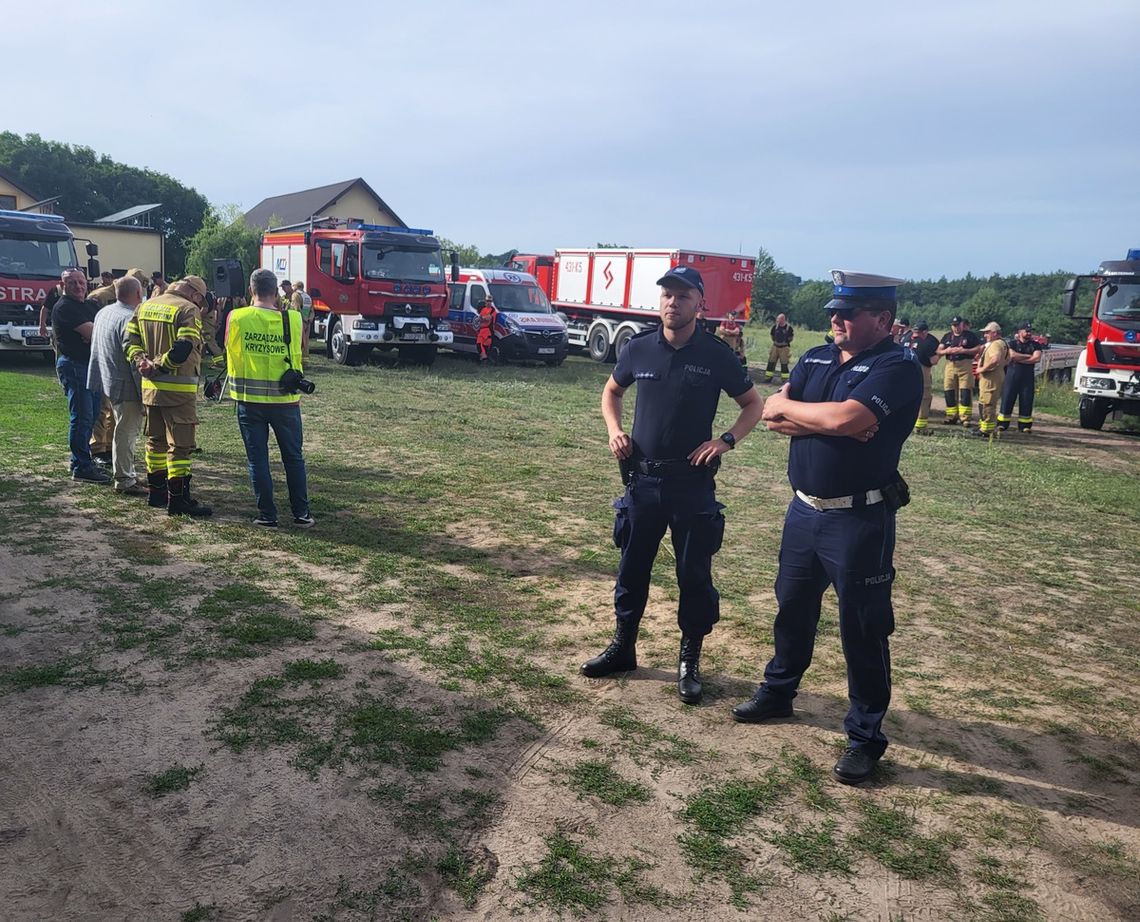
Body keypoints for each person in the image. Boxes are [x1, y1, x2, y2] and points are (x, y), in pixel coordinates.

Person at [732, 270, 921, 786]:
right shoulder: (816, 356)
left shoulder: (897, 365)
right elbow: (772, 413)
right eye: (833, 312)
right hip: (804, 512)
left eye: (848, 313)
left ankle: (864, 737)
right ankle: (778, 692)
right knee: (792, 608)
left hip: (859, 519)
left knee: (863, 627)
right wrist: (832, 418)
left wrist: (831, 419)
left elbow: (842, 420)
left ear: (882, 319)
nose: (835, 319)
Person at [582, 266, 764, 705]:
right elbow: (612, 392)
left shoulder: (716, 354)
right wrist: (614, 430)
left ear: (700, 303)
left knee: (694, 576)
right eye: (667, 294)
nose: (672, 303)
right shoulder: (639, 348)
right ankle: (623, 648)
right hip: (643, 481)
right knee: (631, 570)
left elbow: (752, 404)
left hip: (691, 485)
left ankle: (689, 662)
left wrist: (725, 441)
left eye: (683, 296)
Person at [225, 268, 314, 528]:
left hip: (248, 400)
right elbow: (300, 349)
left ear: (251, 291)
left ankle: (267, 515)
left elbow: (228, 346)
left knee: (258, 460)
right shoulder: (294, 319)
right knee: (294, 458)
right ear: (275, 292)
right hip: (285, 400)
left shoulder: (237, 317)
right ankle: (302, 514)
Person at [125, 276, 212, 517]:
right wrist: (159, 365)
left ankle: (157, 493)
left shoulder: (145, 305)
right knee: (180, 447)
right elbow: (184, 347)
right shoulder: (188, 309)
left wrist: (141, 361)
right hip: (179, 392)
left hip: (151, 389)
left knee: (155, 442)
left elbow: (129, 340)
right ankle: (178, 500)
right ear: (196, 295)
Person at [87, 276, 148, 494]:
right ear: (139, 294)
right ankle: (124, 479)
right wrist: (144, 393)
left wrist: (95, 379)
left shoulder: (104, 312)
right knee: (127, 432)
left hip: (108, 381)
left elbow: (95, 349)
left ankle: (126, 473)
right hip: (126, 386)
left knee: (122, 430)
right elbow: (134, 360)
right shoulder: (129, 317)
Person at [51, 269, 110, 483]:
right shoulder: (64, 307)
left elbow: (100, 330)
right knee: (82, 417)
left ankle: (81, 460)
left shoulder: (89, 305)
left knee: (93, 414)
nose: (78, 286)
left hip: (90, 366)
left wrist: (95, 334)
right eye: (72, 282)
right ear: (63, 284)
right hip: (75, 366)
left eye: (81, 282)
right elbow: (95, 334)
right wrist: (94, 334)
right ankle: (81, 467)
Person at [936, 316, 981, 426]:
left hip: (965, 365)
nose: (956, 328)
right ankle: (951, 416)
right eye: (954, 325)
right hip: (950, 365)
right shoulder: (947, 336)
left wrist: (964, 350)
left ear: (962, 324)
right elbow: (938, 350)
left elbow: (978, 349)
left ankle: (965, 418)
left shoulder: (970, 336)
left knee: (965, 392)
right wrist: (948, 350)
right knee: (949, 391)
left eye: (958, 325)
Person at [998, 321, 1042, 433]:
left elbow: (1036, 358)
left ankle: (1025, 425)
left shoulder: (1035, 345)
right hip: (1012, 375)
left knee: (1027, 400)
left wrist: (1020, 359)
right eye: (1026, 331)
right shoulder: (1012, 343)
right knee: (1007, 399)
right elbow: (1012, 355)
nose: (1029, 333)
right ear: (1019, 332)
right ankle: (1002, 424)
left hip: (1027, 377)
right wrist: (1028, 357)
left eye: (1030, 331)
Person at [974, 322, 1009, 439]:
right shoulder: (1003, 344)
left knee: (987, 403)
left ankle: (987, 429)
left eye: (987, 333)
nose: (985, 335)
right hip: (996, 376)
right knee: (987, 402)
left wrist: (982, 369)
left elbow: (995, 359)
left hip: (991, 378)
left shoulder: (995, 345)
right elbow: (1008, 359)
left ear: (994, 333)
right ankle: (985, 426)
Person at [906, 320, 939, 433]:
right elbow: (933, 360)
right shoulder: (929, 342)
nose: (916, 335)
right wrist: (942, 353)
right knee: (924, 397)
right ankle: (920, 426)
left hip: (904, 369)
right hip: (921, 370)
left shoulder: (906, 337)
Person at [765, 313, 794, 383]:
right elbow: (772, 336)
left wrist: (785, 343)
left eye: (779, 319)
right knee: (771, 362)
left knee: (784, 363)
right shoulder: (775, 327)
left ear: (783, 319)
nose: (777, 320)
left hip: (784, 348)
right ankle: (768, 378)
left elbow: (791, 338)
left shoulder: (789, 328)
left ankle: (784, 379)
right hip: (775, 346)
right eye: (777, 319)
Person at [291, 280, 314, 353]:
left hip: (299, 322)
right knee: (305, 342)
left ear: (297, 287)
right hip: (308, 322)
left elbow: (297, 309)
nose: (293, 287)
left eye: (293, 285)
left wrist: (303, 319)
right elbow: (312, 311)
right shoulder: (307, 296)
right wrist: (309, 319)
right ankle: (305, 358)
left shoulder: (295, 295)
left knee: (297, 342)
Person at [476, 295, 498, 363]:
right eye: (488, 301)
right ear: (485, 301)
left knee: (486, 346)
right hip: (481, 330)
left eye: (490, 301)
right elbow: (479, 318)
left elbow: (488, 318)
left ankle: (486, 360)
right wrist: (480, 319)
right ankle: (483, 358)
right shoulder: (483, 309)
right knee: (479, 344)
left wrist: (482, 318)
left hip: (488, 330)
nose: (489, 302)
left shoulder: (493, 310)